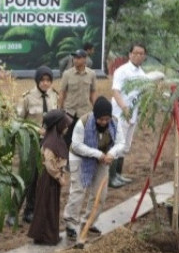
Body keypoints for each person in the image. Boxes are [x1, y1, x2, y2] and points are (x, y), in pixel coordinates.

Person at [63, 97, 125, 239]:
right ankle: (71, 224)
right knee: (78, 191)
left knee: (100, 194)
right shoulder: (83, 123)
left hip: (103, 158)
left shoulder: (115, 123)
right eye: (100, 119)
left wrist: (111, 153)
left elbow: (121, 142)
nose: (103, 122)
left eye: (106, 119)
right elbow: (77, 145)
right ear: (95, 116)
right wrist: (98, 154)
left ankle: (89, 222)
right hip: (79, 157)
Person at [16, 65, 59, 223]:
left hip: (48, 143)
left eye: (48, 80)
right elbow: (18, 121)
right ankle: (13, 212)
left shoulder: (54, 96)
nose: (45, 83)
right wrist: (35, 129)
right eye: (42, 80)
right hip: (29, 142)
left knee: (42, 178)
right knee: (27, 177)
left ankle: (31, 210)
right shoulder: (27, 97)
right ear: (37, 80)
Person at [27, 111, 70, 245]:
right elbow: (50, 164)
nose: (66, 128)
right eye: (64, 125)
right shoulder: (50, 143)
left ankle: (47, 235)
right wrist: (59, 177)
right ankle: (46, 237)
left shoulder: (55, 139)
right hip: (48, 179)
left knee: (50, 205)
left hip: (52, 179)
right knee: (47, 206)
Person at [110, 43, 148, 187]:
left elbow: (144, 91)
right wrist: (124, 108)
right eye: (136, 53)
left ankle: (118, 174)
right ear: (130, 54)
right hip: (120, 113)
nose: (138, 56)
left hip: (133, 114)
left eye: (141, 53)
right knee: (117, 143)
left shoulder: (141, 73)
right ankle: (111, 177)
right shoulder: (122, 71)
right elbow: (115, 92)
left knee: (125, 145)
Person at [58, 49, 98, 147]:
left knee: (83, 137)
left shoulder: (91, 74)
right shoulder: (67, 74)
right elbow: (62, 93)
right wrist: (60, 109)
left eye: (78, 58)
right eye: (74, 57)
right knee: (67, 138)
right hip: (69, 112)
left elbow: (93, 92)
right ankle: (66, 160)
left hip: (84, 112)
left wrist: (96, 108)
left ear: (85, 59)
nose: (75, 60)